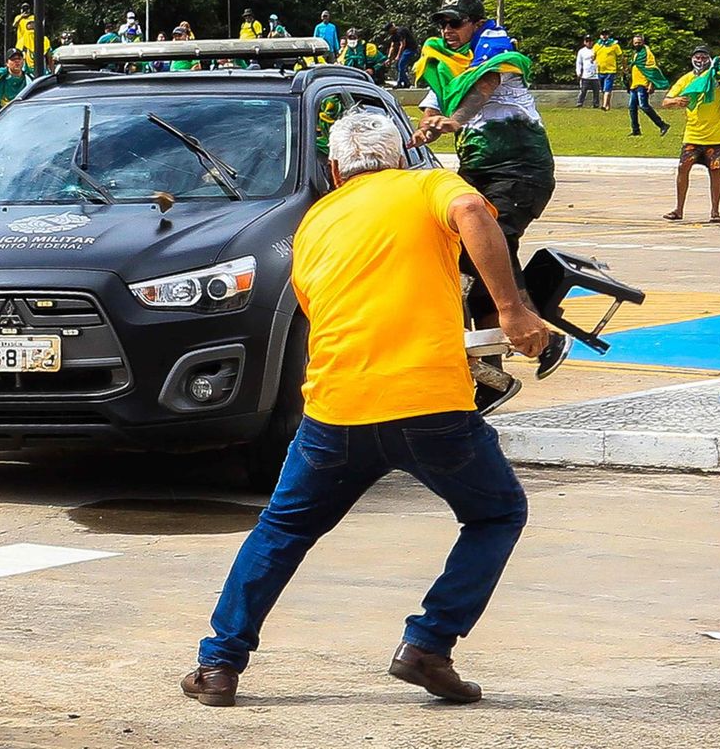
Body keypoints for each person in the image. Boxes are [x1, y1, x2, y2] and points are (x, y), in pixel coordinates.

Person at [180, 110, 545, 709]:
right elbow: (476, 213)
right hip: (429, 406)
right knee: (496, 514)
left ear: (333, 168)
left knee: (283, 530)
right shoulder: (427, 186)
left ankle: (218, 665)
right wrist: (509, 309)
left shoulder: (315, 222)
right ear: (400, 155)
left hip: (336, 409)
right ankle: (428, 643)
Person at [410, 0, 554, 407]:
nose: (447, 31)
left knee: (488, 246)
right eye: (442, 24)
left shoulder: (497, 54)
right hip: (477, 171)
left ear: (475, 23)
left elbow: (482, 88)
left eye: (455, 23)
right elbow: (433, 106)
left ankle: (545, 340)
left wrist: (454, 120)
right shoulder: (441, 63)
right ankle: (493, 379)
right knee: (466, 269)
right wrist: (429, 127)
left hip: (521, 169)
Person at [660, 45, 720, 222]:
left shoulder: (718, 77)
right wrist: (676, 101)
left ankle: (715, 211)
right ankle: (678, 209)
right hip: (693, 134)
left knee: (715, 172)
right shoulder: (686, 79)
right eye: (697, 57)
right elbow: (665, 101)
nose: (700, 61)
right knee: (682, 168)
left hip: (717, 135)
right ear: (692, 59)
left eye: (704, 57)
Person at [625, 34, 670, 137]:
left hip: (643, 84)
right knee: (632, 108)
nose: (637, 44)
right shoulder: (636, 54)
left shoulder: (647, 54)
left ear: (643, 42)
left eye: (639, 43)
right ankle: (636, 130)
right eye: (635, 43)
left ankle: (662, 125)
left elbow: (652, 69)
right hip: (634, 85)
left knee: (644, 106)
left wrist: (651, 84)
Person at [593, 30, 622, 111]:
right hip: (600, 70)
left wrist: (622, 66)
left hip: (610, 70)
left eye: (606, 34)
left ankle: (604, 105)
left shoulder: (614, 45)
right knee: (603, 89)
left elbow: (620, 55)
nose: (604, 36)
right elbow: (593, 55)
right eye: (603, 35)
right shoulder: (597, 45)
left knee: (607, 89)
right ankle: (608, 105)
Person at [386, 21, 418, 88]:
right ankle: (407, 83)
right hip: (405, 50)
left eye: (389, 30)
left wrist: (398, 56)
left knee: (401, 64)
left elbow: (402, 44)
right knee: (398, 66)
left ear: (392, 27)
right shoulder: (393, 35)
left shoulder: (401, 31)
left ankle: (399, 83)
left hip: (411, 48)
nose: (389, 32)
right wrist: (389, 59)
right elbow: (392, 46)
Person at [574, 35, 599, 108]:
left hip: (596, 74)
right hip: (585, 75)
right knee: (583, 90)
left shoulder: (596, 50)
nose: (589, 43)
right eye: (587, 41)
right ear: (584, 42)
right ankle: (580, 103)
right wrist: (578, 72)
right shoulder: (581, 51)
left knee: (596, 91)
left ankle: (596, 104)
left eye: (590, 41)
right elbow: (579, 62)